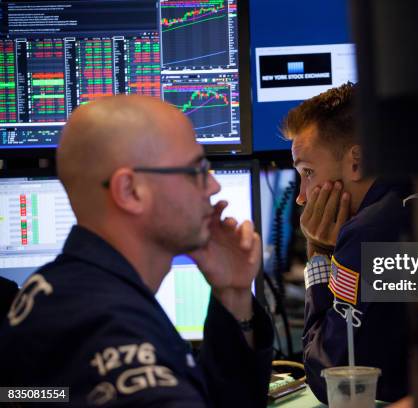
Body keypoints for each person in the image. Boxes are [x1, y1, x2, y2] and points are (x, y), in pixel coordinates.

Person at [0, 95, 273, 407]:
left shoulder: (61, 293)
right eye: (196, 169)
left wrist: (233, 294)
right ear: (129, 191)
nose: (213, 186)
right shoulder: (105, 330)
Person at [282, 82, 415, 403]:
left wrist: (320, 252)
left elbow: (332, 377)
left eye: (309, 171)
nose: (301, 196)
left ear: (357, 161)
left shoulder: (368, 232)